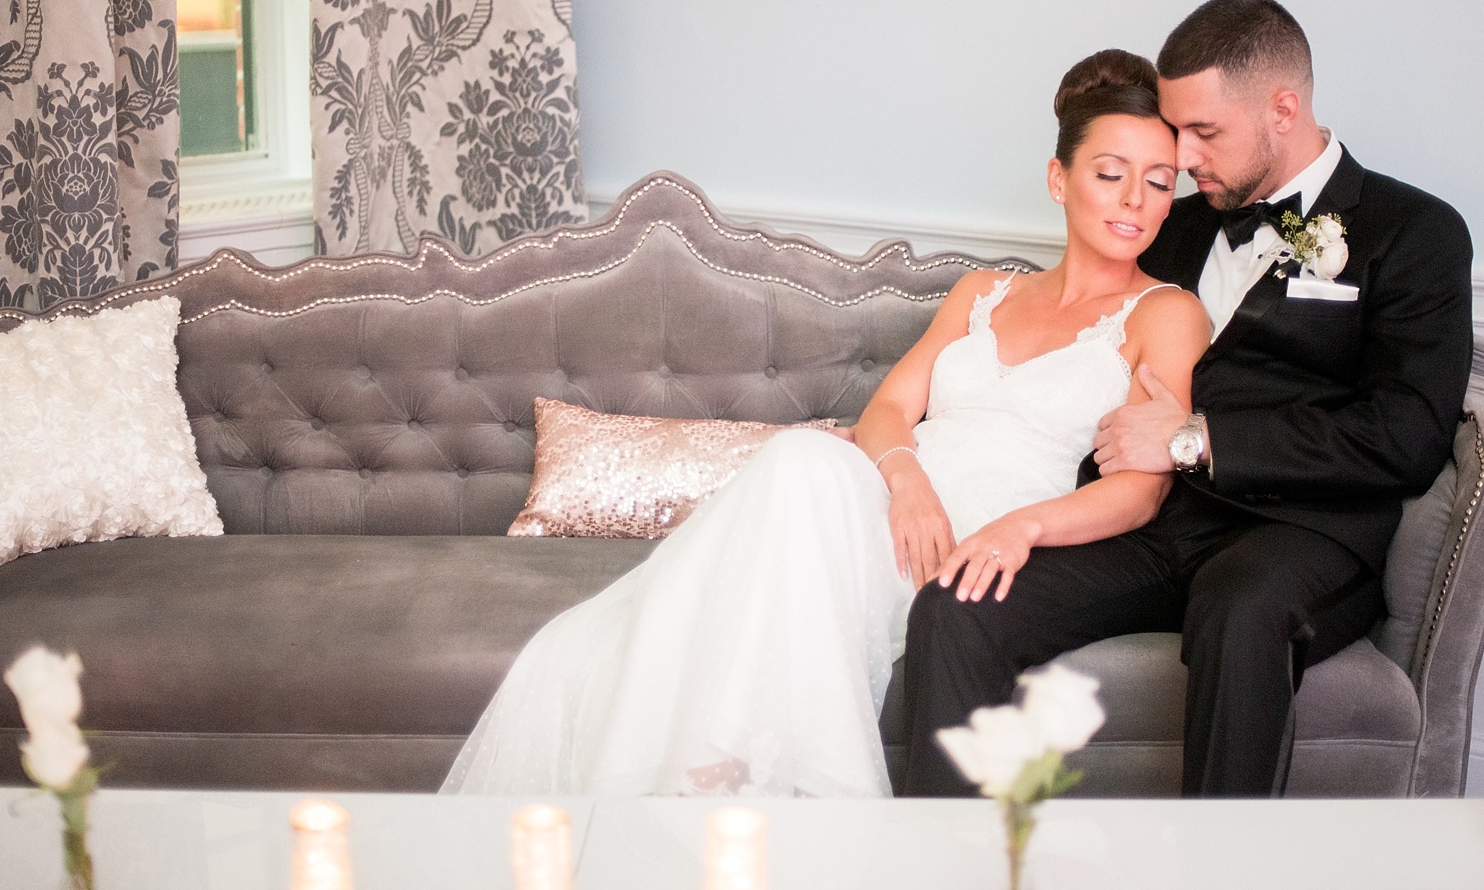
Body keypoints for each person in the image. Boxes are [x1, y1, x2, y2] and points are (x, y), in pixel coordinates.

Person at [440, 50, 1211, 797]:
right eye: (1111, 175)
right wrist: (905, 481)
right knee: (802, 459)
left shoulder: (1167, 314)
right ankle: (719, 786)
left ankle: (738, 790)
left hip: (980, 533)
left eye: (1158, 183)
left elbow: (1141, 492)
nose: (1135, 201)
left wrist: (1023, 530)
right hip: (898, 503)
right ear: (1059, 178)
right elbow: (887, 413)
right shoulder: (985, 291)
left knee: (797, 491)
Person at [898, 0, 1474, 797]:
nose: (1186, 157)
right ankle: (947, 862)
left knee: (1241, 615)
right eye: (1178, 131)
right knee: (960, 598)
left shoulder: (1414, 232)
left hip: (1303, 531)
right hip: (1159, 520)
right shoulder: (1178, 221)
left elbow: (1407, 433)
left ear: (1283, 107)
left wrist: (1195, 440)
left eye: (1205, 132)